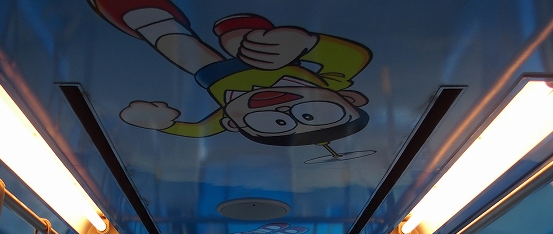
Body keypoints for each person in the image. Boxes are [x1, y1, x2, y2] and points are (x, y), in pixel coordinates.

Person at [89, 0, 373, 146]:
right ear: (350, 99)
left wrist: (160, 123)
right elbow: (351, 58)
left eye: (274, 122)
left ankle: (146, 15)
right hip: (276, 59)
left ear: (233, 124)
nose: (283, 109)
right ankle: (245, 31)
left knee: (174, 43)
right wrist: (306, 44)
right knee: (248, 43)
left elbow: (198, 131)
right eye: (312, 114)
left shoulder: (229, 112)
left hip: (216, 75)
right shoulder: (330, 83)